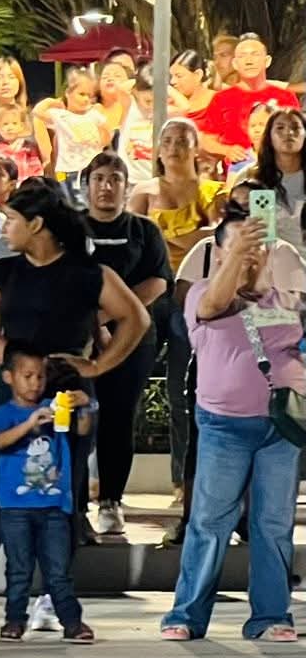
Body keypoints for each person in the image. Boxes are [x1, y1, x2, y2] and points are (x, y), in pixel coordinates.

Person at [0, 179, 151, 629]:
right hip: (13, 401)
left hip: (69, 398)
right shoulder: (4, 271)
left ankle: (52, 597)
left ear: (37, 224)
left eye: (11, 220)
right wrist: (21, 367)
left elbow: (135, 319)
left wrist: (97, 366)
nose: (4, 228)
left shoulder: (90, 273)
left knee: (61, 499)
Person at [163, 204, 301, 642]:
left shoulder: (286, 302)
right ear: (218, 254)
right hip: (224, 427)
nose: (250, 253)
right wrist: (238, 255)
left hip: (280, 429)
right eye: (239, 246)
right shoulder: (202, 295)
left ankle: (271, 616)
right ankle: (186, 615)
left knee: (273, 524)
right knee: (209, 521)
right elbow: (216, 305)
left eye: (257, 246)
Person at [79, 152, 170, 538]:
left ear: (125, 186)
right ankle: (74, 506)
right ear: (86, 186)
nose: (106, 186)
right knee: (76, 418)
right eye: (99, 178)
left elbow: (158, 282)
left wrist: (113, 317)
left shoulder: (144, 230)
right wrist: (90, 323)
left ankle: (111, 501)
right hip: (79, 338)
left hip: (132, 337)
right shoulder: (70, 228)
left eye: (115, 179)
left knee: (118, 418)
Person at [131, 117, 221, 501]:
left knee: (184, 390)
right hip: (151, 293)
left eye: (182, 140)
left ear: (196, 147)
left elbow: (217, 235)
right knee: (130, 384)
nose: (173, 147)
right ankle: (108, 480)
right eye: (167, 140)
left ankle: (183, 479)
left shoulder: (213, 191)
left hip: (191, 294)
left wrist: (162, 234)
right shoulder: (144, 190)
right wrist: (186, 236)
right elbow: (135, 238)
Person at [0, 346, 93, 644]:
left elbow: (82, 430)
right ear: (9, 377)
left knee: (58, 570)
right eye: (28, 376)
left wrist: (86, 405)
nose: (35, 383)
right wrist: (29, 424)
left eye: (41, 376)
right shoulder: (4, 413)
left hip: (54, 505)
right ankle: (14, 620)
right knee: (18, 568)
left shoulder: (54, 407)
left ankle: (72, 622)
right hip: (15, 507)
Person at [197, 32, 299, 163]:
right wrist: (226, 150)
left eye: (255, 54)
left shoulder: (285, 97)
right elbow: (207, 140)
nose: (249, 61)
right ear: (235, 63)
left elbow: (297, 135)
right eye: (242, 56)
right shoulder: (221, 98)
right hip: (237, 170)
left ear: (267, 61)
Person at [34, 68, 109, 184]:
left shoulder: (94, 115)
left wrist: (98, 141)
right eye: (82, 94)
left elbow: (106, 137)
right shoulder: (61, 116)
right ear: (68, 93)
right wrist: (50, 101)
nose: (86, 99)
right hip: (67, 171)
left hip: (91, 170)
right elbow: (37, 112)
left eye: (90, 96)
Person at [246, 105, 306, 249]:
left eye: (295, 128)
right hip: (269, 257)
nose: (288, 133)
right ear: (269, 136)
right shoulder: (250, 178)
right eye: (280, 128)